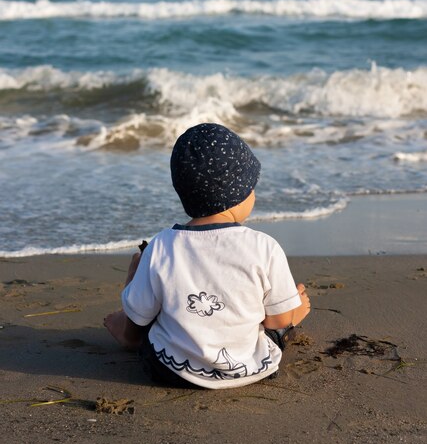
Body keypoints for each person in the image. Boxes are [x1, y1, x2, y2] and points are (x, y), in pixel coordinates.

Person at [104, 123, 310, 389]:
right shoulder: (264, 246)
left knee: (144, 284)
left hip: (170, 370)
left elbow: (141, 317)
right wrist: (293, 314)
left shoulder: (162, 246)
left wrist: (137, 277)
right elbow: (276, 320)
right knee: (278, 319)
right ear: (239, 194)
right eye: (251, 186)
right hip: (248, 368)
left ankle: (126, 330)